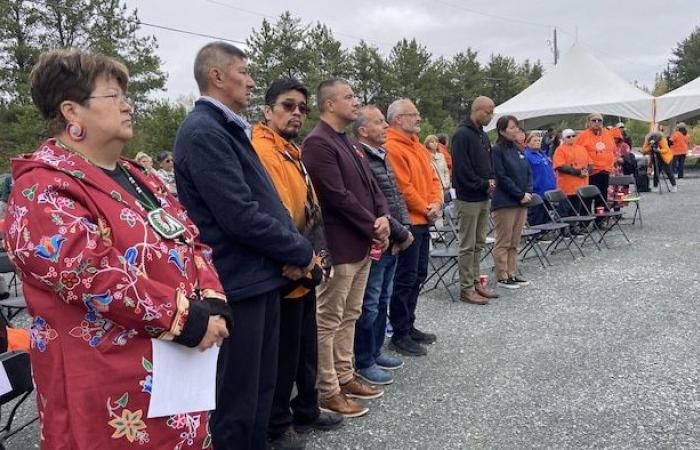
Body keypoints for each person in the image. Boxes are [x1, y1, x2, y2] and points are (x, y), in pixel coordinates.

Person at [5, 48, 232, 449]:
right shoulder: (42, 187)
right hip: (105, 386)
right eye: (114, 96)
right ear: (72, 112)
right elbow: (89, 275)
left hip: (175, 372)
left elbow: (190, 237)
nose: (128, 105)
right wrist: (188, 319)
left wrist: (212, 302)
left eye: (126, 96)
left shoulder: (140, 176)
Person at [174, 42, 315, 450]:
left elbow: (265, 202)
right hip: (238, 279)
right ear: (217, 76)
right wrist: (299, 251)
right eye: (243, 71)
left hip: (260, 275)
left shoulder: (227, 127)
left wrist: (288, 250)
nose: (251, 81)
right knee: (237, 396)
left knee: (260, 387)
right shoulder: (203, 131)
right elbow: (239, 214)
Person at [251, 78, 343, 450]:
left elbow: (308, 207)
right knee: (283, 353)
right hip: (285, 266)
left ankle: (307, 406)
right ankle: (278, 424)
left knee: (305, 344)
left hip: (305, 259)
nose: (297, 113)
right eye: (288, 106)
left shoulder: (291, 150)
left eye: (302, 108)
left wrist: (316, 254)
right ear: (267, 110)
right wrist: (293, 255)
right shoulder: (260, 149)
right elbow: (271, 212)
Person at [302, 79, 390, 418]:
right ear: (328, 105)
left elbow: (371, 185)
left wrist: (383, 217)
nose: (356, 102)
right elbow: (336, 197)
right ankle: (328, 389)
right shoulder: (318, 144)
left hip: (361, 244)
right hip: (339, 247)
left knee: (350, 315)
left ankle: (344, 373)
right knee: (329, 320)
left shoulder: (348, 142)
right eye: (349, 97)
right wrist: (373, 224)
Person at [352, 105, 413, 385]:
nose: (386, 126)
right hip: (379, 240)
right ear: (363, 130)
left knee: (382, 299)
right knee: (370, 303)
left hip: (393, 240)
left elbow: (396, 197)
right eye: (379, 123)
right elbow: (375, 205)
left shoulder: (381, 155)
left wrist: (404, 230)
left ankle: (376, 351)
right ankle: (364, 359)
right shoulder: (361, 157)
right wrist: (400, 233)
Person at [384, 98, 442, 356]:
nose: (419, 118)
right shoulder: (392, 147)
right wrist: (426, 208)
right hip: (409, 224)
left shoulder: (417, 147)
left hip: (423, 220)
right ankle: (400, 332)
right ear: (398, 119)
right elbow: (402, 187)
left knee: (418, 275)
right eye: (413, 114)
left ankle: (409, 324)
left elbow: (432, 178)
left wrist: (437, 203)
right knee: (405, 279)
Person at [451, 96, 499, 305]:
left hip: (482, 196)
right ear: (477, 110)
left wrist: (491, 180)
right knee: (467, 244)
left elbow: (488, 163)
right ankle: (466, 288)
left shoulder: (482, 135)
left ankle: (476, 282)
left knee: (479, 242)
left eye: (492, 112)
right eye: (488, 112)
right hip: (468, 197)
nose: (491, 116)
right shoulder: (462, 134)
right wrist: (482, 183)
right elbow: (462, 169)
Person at [490, 116, 533, 289]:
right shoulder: (497, 150)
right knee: (504, 240)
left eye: (517, 127)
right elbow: (501, 176)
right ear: (502, 131)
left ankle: (512, 272)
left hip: (522, 201)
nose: (516, 130)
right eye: (512, 127)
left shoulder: (518, 150)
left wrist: (528, 191)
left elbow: (528, 172)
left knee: (515, 241)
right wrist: (519, 193)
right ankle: (502, 275)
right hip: (506, 202)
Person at [574, 113, 615, 215]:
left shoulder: (608, 134)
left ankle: (600, 221)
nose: (597, 123)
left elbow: (612, 150)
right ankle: (585, 223)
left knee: (602, 197)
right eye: (594, 120)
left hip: (605, 171)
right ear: (588, 122)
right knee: (587, 198)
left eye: (599, 120)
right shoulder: (582, 136)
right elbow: (576, 153)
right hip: (590, 172)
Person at [553, 129, 590, 215]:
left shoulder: (582, 149)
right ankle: (562, 228)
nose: (571, 138)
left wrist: (586, 171)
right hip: (566, 188)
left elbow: (590, 163)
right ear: (563, 138)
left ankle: (573, 228)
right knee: (564, 212)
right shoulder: (560, 150)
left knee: (576, 211)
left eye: (573, 136)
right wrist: (578, 172)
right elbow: (559, 166)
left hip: (580, 186)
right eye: (568, 136)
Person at [523, 132, 556, 225]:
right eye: (534, 140)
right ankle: (536, 235)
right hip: (537, 190)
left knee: (545, 215)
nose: (538, 142)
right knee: (537, 214)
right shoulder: (527, 155)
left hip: (548, 189)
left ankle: (545, 233)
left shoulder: (543, 154)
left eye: (539, 140)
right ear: (527, 142)